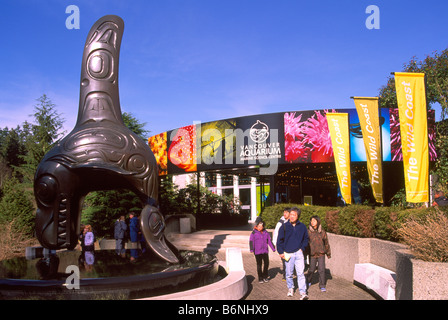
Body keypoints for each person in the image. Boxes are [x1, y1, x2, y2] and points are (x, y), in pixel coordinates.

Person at [277, 207, 309, 299]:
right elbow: (279, 240)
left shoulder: (302, 226)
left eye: (294, 215)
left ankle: (303, 292)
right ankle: (290, 288)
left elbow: (306, 238)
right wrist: (280, 252)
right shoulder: (284, 226)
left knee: (300, 273)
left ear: (298, 216)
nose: (291, 216)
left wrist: (302, 249)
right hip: (288, 253)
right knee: (289, 273)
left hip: (298, 253)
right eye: (290, 214)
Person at [306, 215, 331, 292]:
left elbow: (326, 243)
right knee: (311, 269)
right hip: (312, 254)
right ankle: (309, 280)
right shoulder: (308, 232)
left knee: (321, 270)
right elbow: (306, 243)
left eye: (314, 220)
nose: (312, 222)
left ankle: (322, 285)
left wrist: (328, 253)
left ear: (318, 221)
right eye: (311, 220)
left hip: (321, 254)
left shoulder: (322, 232)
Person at [272, 207, 290, 280]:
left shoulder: (293, 222)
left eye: (286, 212)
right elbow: (276, 233)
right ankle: (285, 275)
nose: (284, 214)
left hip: (290, 245)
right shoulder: (281, 222)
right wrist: (275, 243)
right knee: (284, 261)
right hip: (283, 245)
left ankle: (288, 273)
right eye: (284, 212)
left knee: (289, 261)